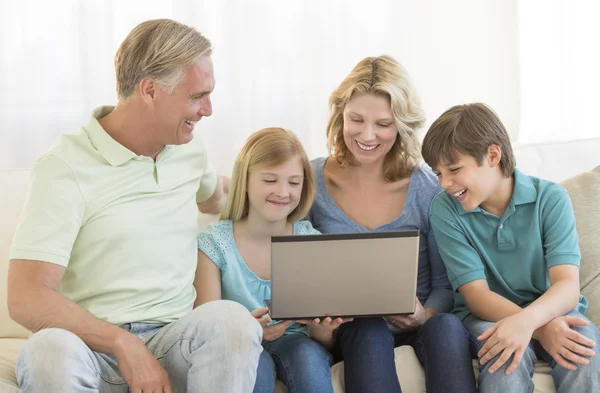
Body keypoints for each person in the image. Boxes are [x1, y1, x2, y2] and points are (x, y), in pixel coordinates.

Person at [7, 18, 263, 393]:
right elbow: (26, 297)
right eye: (197, 96)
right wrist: (121, 343)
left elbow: (220, 197)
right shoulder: (65, 167)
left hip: (173, 344)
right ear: (149, 91)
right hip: (88, 350)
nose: (207, 109)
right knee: (48, 349)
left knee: (233, 321)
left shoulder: (187, 150)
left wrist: (288, 188)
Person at [308, 55, 476, 393]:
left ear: (401, 124)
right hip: (352, 331)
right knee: (367, 329)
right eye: (356, 119)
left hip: (420, 325)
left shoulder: (427, 187)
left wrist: (423, 314)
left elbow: (445, 284)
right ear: (340, 114)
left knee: (446, 326)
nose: (367, 135)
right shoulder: (310, 180)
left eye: (383, 124)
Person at [422, 102, 600, 393]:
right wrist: (539, 330)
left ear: (493, 155)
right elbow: (476, 295)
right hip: (486, 317)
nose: (445, 183)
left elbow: (567, 286)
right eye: (438, 173)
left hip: (550, 309)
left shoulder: (551, 199)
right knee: (504, 359)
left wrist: (531, 321)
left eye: (453, 169)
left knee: (582, 349)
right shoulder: (445, 210)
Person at [195, 127, 350, 393]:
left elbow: (323, 342)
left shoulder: (310, 240)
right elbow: (207, 328)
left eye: (293, 182)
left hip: (300, 345)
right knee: (255, 366)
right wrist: (250, 332)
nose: (283, 192)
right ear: (244, 181)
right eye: (270, 180)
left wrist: (323, 329)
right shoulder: (214, 243)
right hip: (239, 345)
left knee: (307, 357)